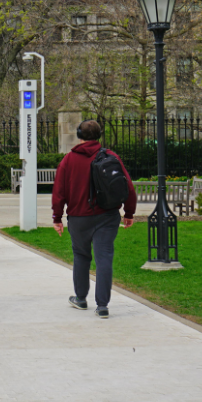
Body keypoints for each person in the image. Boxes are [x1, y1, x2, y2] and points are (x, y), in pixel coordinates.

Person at [52, 119, 137, 318]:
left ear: (79, 135)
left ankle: (81, 298)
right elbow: (128, 186)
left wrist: (57, 217)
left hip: (78, 217)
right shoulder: (110, 156)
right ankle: (102, 306)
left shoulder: (69, 160)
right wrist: (129, 213)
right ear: (99, 135)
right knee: (104, 258)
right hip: (107, 216)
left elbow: (59, 191)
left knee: (81, 256)